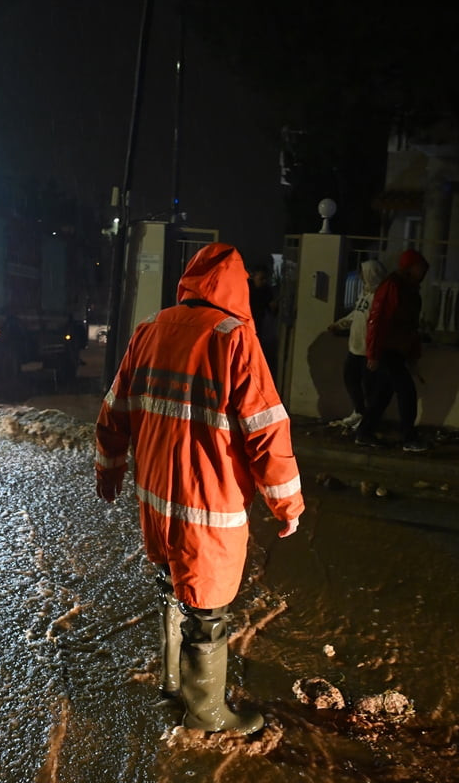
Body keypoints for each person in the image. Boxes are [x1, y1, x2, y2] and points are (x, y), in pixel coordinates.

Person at [95, 242, 305, 735]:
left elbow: (114, 412)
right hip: (209, 505)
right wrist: (286, 503)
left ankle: (172, 683)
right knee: (207, 606)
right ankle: (207, 712)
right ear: (236, 288)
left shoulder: (149, 330)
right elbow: (267, 430)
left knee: (172, 587)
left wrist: (110, 471)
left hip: (157, 501)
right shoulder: (233, 337)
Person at [355, 249, 430, 452]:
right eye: (420, 268)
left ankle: (364, 432)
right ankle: (408, 437)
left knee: (383, 395)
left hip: (396, 349)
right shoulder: (394, 286)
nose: (423, 272)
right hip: (388, 349)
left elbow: (411, 326)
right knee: (406, 391)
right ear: (410, 268)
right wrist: (373, 353)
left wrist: (413, 354)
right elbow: (378, 320)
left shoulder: (409, 289)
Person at [327, 258, 388, 430]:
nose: (360, 276)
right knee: (350, 379)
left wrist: (373, 351)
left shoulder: (380, 297)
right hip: (355, 347)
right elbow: (357, 314)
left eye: (363, 272)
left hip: (368, 350)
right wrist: (339, 324)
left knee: (369, 387)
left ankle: (367, 421)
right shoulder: (365, 293)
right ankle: (359, 411)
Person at [246, 264, 279, 375]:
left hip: (257, 324)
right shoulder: (246, 287)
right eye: (261, 278)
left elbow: (272, 307)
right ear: (254, 276)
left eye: (265, 279)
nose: (263, 281)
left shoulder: (266, 291)